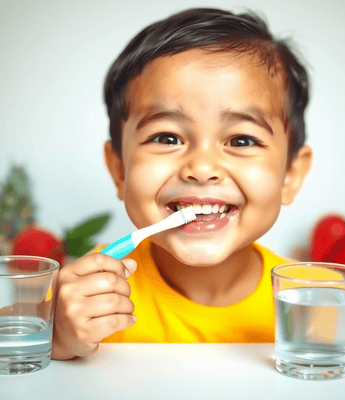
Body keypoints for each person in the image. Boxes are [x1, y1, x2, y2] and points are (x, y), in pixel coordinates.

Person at [51, 7, 313, 360]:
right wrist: (55, 336)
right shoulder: (87, 292)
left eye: (241, 140)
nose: (202, 168)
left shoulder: (312, 305)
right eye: (167, 137)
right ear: (119, 170)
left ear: (290, 176)